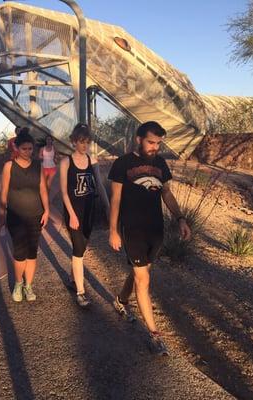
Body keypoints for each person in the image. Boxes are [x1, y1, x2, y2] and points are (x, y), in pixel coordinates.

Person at [108, 121, 191, 355]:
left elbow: (166, 192)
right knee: (143, 280)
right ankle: (155, 335)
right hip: (131, 229)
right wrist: (113, 230)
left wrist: (181, 219)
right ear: (139, 139)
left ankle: (121, 300)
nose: (154, 147)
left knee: (139, 271)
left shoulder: (161, 163)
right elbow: (115, 199)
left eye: (158, 143)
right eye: (150, 142)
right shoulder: (122, 164)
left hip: (155, 229)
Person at [0, 129, 50, 302]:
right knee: (20, 252)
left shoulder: (37, 166)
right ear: (16, 148)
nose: (28, 152)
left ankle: (29, 285)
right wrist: (1, 215)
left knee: (32, 252)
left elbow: (42, 188)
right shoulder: (9, 167)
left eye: (30, 149)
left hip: (36, 214)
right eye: (24, 149)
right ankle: (18, 283)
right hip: (16, 215)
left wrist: (47, 210)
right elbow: (4, 192)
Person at [59, 124, 96, 308]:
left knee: (81, 249)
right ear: (74, 141)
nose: (85, 145)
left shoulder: (91, 159)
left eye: (87, 142)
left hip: (89, 211)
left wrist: (108, 206)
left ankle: (73, 280)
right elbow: (64, 192)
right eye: (81, 142)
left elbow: (98, 188)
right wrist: (72, 215)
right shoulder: (66, 162)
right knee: (78, 250)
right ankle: (81, 293)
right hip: (73, 211)